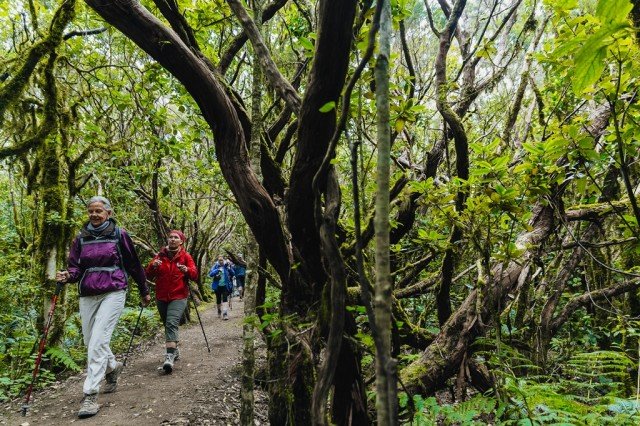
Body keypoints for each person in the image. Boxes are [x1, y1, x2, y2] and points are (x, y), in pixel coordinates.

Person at [56, 196, 151, 419]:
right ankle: (111, 367)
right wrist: (67, 276)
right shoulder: (80, 238)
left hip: (114, 290)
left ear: (108, 212)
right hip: (88, 293)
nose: (94, 215)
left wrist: (144, 289)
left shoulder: (119, 234)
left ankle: (90, 395)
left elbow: (133, 263)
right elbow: (75, 269)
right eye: (91, 211)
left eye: (99, 211)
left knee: (98, 341)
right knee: (90, 342)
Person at [145, 230, 197, 374]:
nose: (172, 239)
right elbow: (148, 274)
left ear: (181, 242)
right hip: (161, 296)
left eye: (176, 238)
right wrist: (153, 266)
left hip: (179, 296)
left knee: (171, 322)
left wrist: (186, 270)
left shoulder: (185, 256)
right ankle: (175, 349)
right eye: (171, 237)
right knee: (167, 323)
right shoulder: (159, 256)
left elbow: (195, 275)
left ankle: (169, 357)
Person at [208, 255, 234, 320]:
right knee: (218, 300)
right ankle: (219, 310)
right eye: (219, 260)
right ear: (218, 261)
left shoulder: (226, 266)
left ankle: (225, 314)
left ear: (223, 260)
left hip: (225, 285)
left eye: (222, 260)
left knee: (225, 299)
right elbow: (211, 274)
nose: (221, 261)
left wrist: (229, 268)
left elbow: (233, 273)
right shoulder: (215, 266)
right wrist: (217, 270)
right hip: (217, 286)